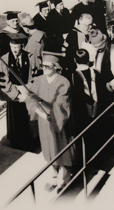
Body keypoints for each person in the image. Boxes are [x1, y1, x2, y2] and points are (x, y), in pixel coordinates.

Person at [23, 52, 75, 192]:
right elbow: (30, 100)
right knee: (48, 148)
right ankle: (53, 175)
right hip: (44, 122)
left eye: (48, 66)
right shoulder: (39, 80)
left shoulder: (63, 82)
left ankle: (64, 177)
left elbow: (61, 105)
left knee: (61, 148)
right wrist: (41, 113)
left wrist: (47, 111)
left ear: (56, 67)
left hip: (59, 123)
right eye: (43, 66)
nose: (44, 68)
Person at [0, 32, 39, 151]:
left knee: (30, 119)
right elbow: (4, 81)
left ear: (22, 46)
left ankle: (30, 142)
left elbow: (36, 75)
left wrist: (27, 89)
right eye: (12, 47)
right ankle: (17, 143)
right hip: (14, 96)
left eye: (17, 47)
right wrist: (17, 94)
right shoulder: (5, 59)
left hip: (28, 92)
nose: (15, 50)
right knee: (16, 120)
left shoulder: (31, 57)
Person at [62, 13, 95, 79]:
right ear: (80, 22)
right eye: (87, 25)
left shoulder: (89, 33)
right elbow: (67, 53)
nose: (89, 28)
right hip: (76, 69)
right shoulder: (72, 34)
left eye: (91, 25)